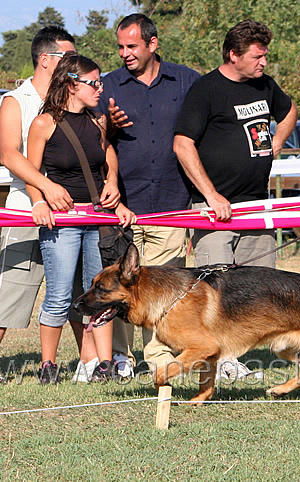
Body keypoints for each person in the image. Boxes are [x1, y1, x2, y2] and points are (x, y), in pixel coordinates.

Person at [173, 19, 296, 378]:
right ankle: (218, 362)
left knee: (259, 288)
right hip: (215, 210)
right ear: (234, 55)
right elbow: (183, 144)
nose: (264, 63)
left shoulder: (264, 86)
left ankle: (241, 355)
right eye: (258, 56)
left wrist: (277, 143)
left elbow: (289, 112)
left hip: (257, 205)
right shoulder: (206, 90)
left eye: (265, 56)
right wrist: (211, 195)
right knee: (216, 288)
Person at [97, 13, 201, 379]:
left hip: (173, 205)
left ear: (152, 44)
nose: (124, 53)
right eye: (121, 47)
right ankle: (122, 359)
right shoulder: (107, 86)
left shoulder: (188, 80)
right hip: (122, 208)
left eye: (132, 46)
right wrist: (107, 124)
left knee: (166, 289)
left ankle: (158, 359)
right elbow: (91, 140)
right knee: (118, 287)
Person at [26, 53, 136, 383]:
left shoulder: (96, 122)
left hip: (98, 221)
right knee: (59, 295)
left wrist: (113, 184)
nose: (100, 89)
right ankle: (49, 365)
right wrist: (38, 203)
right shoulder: (44, 123)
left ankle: (104, 364)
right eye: (95, 83)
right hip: (60, 221)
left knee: (99, 291)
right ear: (72, 85)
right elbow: (31, 172)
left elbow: (108, 155)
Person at [0, 27, 90, 383]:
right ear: (46, 59)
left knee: (78, 287)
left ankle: (88, 362)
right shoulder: (15, 101)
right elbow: (8, 155)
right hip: (26, 204)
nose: (74, 65)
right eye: (68, 57)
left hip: (72, 207)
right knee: (14, 284)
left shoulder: (76, 97)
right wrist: (45, 188)